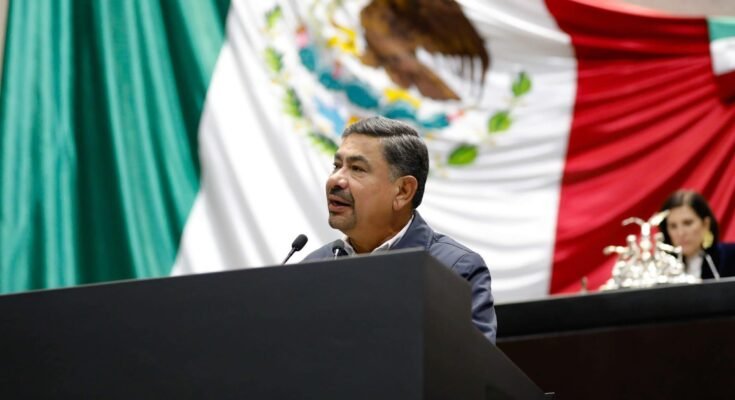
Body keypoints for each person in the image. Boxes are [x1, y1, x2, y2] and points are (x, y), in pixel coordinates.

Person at [302, 116, 497, 344]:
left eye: (356, 168)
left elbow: (470, 363)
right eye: (337, 166)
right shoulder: (312, 267)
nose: (335, 180)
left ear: (403, 191)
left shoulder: (454, 270)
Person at [658, 190, 735, 280]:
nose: (681, 233)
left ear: (706, 224)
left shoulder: (730, 258)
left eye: (687, 223)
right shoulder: (660, 267)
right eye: (673, 226)